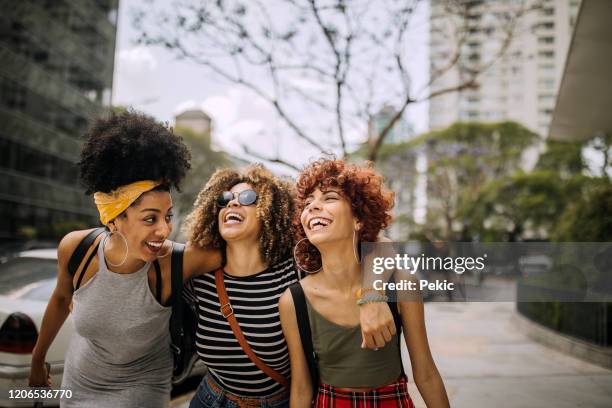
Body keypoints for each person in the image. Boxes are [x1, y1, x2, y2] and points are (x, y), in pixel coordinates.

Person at [28, 111, 221, 407]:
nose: (164, 229)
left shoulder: (175, 263)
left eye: (167, 216)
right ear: (115, 219)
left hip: (141, 392)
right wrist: (37, 360)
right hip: (76, 386)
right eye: (150, 218)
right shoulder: (77, 249)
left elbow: (241, 249)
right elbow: (59, 300)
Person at [184, 165, 397, 407]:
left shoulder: (296, 269)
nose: (232, 204)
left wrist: (372, 296)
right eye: (225, 199)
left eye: (247, 197)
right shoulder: (200, 278)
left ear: (269, 210)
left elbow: (381, 244)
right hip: (211, 399)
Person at [279, 158, 450, 407]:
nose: (313, 207)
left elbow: (426, 374)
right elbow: (302, 388)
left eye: (329, 198)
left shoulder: (401, 285)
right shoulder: (292, 301)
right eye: (307, 203)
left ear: (358, 218)